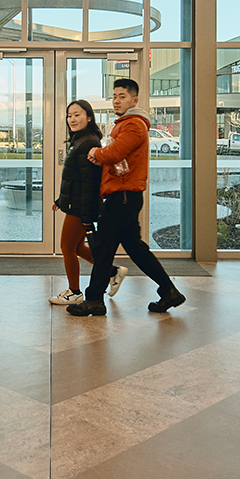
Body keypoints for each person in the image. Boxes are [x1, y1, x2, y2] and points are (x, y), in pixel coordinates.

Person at [67, 78, 186, 316]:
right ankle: (169, 291)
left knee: (103, 247)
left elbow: (114, 152)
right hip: (123, 195)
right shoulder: (124, 124)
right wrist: (103, 155)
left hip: (123, 196)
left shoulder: (134, 125)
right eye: (114, 96)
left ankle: (94, 300)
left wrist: (96, 152)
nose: (116, 101)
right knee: (135, 248)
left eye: (122, 96)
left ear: (134, 99)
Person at [47, 99, 105, 306]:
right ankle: (112, 271)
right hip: (75, 204)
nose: (72, 119)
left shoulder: (88, 142)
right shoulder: (80, 140)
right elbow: (74, 179)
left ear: (89, 117)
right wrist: (60, 200)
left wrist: (87, 214)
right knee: (78, 247)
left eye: (77, 114)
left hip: (80, 207)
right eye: (69, 115)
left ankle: (74, 292)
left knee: (67, 247)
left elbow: (89, 183)